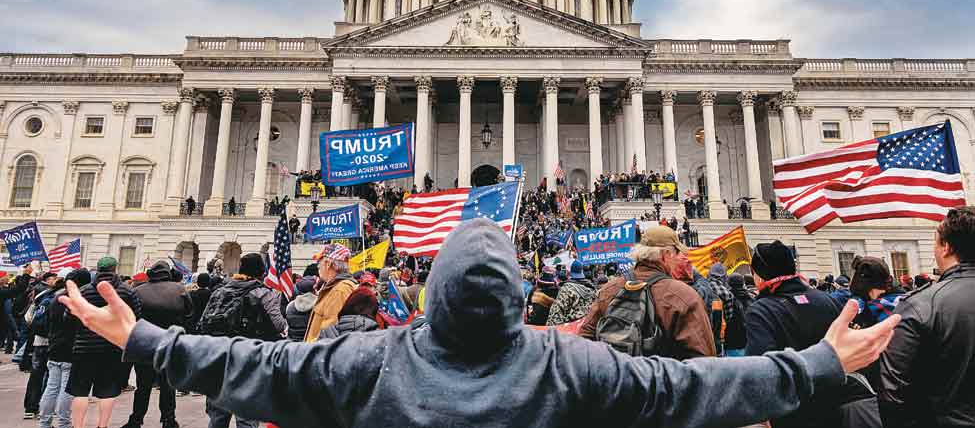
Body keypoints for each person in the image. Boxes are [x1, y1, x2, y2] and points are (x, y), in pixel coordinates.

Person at [61, 218, 902, 428]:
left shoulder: (370, 360)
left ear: (431, 297)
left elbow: (249, 366)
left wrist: (137, 336)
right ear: (513, 301)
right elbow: (691, 389)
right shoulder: (567, 366)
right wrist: (817, 366)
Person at [880, 206, 975, 428]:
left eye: (935, 242)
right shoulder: (921, 304)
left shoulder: (919, 305)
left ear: (946, 247)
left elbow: (893, 394)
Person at [745, 241, 843, 428]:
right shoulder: (826, 299)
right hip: (833, 402)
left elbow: (760, 369)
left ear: (759, 275)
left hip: (789, 409)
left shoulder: (761, 309)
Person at [581, 226, 716, 360]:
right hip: (661, 380)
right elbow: (704, 363)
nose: (681, 257)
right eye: (678, 253)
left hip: (616, 377)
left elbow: (584, 342)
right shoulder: (684, 297)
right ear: (666, 255)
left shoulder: (609, 289)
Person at [197, 253, 286, 428]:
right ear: (261, 272)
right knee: (247, 419)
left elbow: (203, 322)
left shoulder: (220, 291)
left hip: (219, 358)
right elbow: (279, 325)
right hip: (248, 359)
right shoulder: (263, 293)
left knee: (217, 418)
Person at [65, 256, 142, 428]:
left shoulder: (84, 291)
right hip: (112, 347)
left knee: (80, 391)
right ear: (115, 269)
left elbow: (69, 317)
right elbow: (136, 317)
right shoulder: (127, 291)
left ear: (98, 269)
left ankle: (78, 426)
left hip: (84, 346)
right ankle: (103, 425)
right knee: (107, 391)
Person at [121, 260, 195, 428]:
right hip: (170, 342)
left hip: (144, 343)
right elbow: (190, 315)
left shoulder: (138, 291)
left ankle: (136, 419)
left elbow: (130, 317)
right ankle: (168, 419)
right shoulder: (180, 290)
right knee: (168, 384)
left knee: (143, 385)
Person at [39, 268, 89, 428]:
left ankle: (44, 423)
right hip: (71, 349)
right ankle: (64, 423)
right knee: (66, 390)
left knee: (51, 387)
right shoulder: (78, 300)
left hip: (54, 347)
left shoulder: (56, 298)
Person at [23, 272, 62, 419]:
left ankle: (30, 407)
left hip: (39, 340)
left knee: (36, 374)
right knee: (51, 376)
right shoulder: (62, 297)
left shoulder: (42, 295)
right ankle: (43, 407)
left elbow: (28, 318)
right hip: (53, 341)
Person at [304, 245, 357, 342]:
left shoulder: (339, 290)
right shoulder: (336, 288)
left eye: (319, 262)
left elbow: (330, 335)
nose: (318, 266)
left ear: (328, 264)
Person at [545, 260, 596, 326]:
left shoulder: (566, 289)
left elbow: (555, 314)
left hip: (571, 329)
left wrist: (552, 332)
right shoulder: (592, 289)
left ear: (570, 272)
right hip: (586, 329)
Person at [707, 263, 735, 356]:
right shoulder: (727, 293)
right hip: (719, 335)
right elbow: (729, 316)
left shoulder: (701, 286)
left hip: (704, 332)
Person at [724, 273, 754, 357]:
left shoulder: (727, 299)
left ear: (728, 283)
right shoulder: (751, 299)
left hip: (731, 344)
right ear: (743, 283)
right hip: (748, 343)